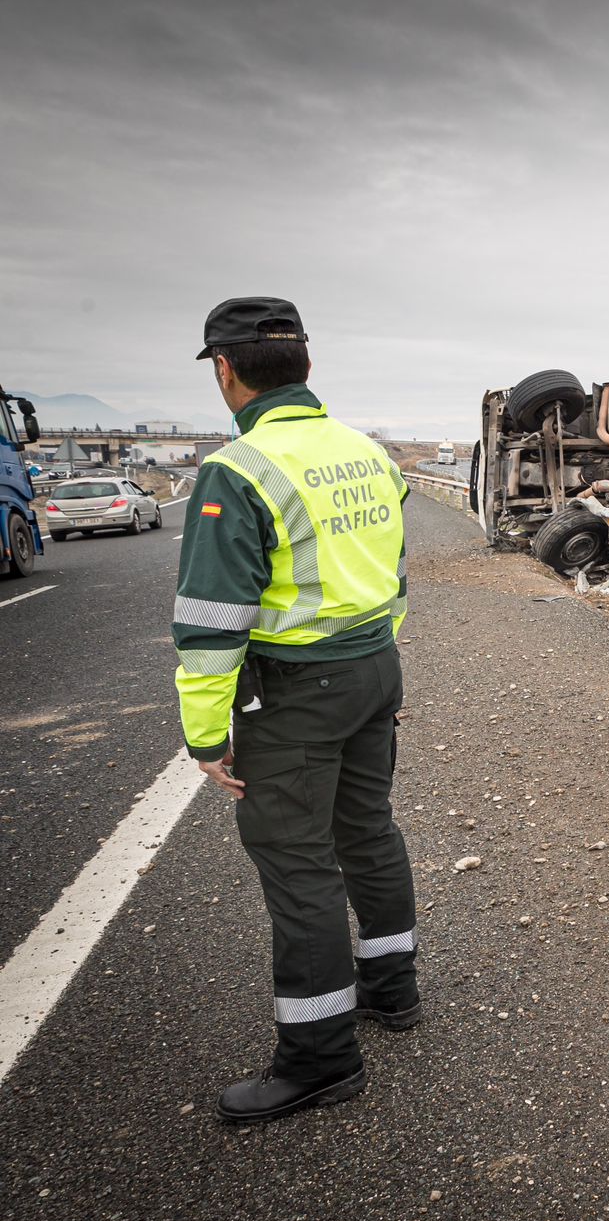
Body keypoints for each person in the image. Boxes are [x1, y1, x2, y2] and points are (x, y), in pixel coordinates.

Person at [172, 296, 420, 1122]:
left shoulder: (236, 472)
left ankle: (320, 1057)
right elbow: (391, 573)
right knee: (369, 834)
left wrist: (207, 737)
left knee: (300, 865)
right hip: (373, 669)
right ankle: (393, 990)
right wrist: (377, 672)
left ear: (225, 371)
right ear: (307, 367)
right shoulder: (370, 454)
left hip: (299, 693)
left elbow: (211, 626)